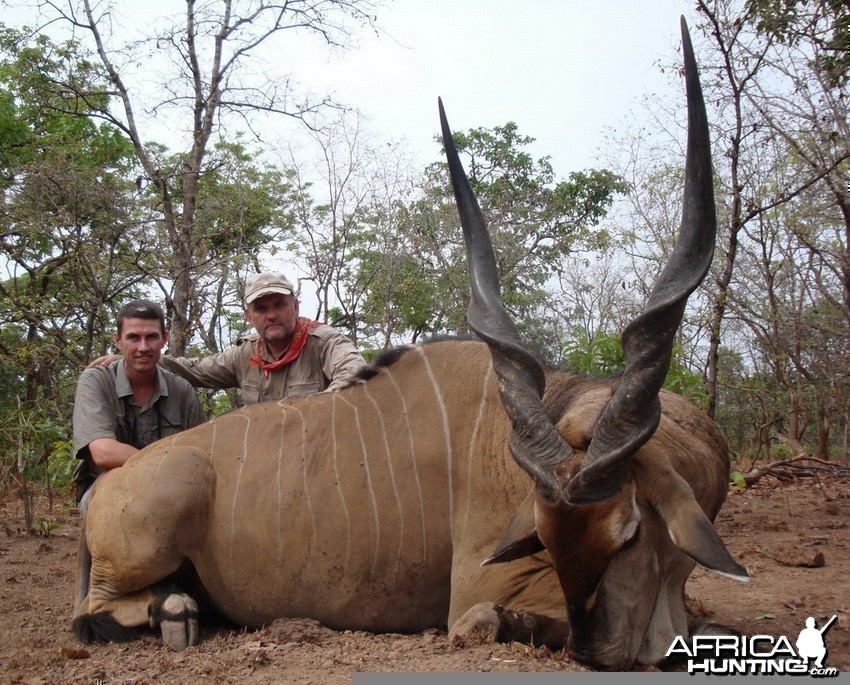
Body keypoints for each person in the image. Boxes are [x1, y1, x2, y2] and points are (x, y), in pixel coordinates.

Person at [90, 272, 368, 404]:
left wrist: (317, 411)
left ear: (294, 307)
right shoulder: (246, 354)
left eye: (279, 305)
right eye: (261, 308)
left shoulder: (324, 342)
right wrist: (138, 359)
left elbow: (353, 371)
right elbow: (195, 370)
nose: (271, 315)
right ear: (250, 316)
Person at [72, 299, 207, 511]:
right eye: (133, 337)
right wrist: (163, 467)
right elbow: (103, 453)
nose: (143, 347)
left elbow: (201, 455)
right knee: (116, 492)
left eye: (151, 337)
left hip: (172, 491)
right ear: (118, 340)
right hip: (108, 489)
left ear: (164, 339)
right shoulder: (96, 380)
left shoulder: (181, 390)